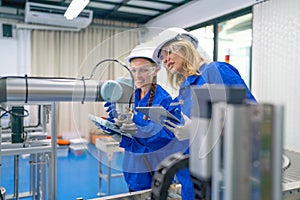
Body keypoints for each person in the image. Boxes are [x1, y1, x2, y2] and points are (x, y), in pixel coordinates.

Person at [151, 27, 256, 199]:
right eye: (162, 58)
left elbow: (249, 117)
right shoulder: (183, 92)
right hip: (191, 182)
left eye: (168, 52)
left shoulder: (215, 71)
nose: (166, 59)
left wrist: (201, 129)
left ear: (184, 47)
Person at [100, 42, 182, 192]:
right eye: (134, 70)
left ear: (156, 70)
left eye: (144, 70)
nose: (137, 76)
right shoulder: (132, 95)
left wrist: (136, 125)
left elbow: (163, 138)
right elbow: (131, 136)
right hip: (133, 168)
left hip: (151, 171)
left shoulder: (163, 99)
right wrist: (115, 129)